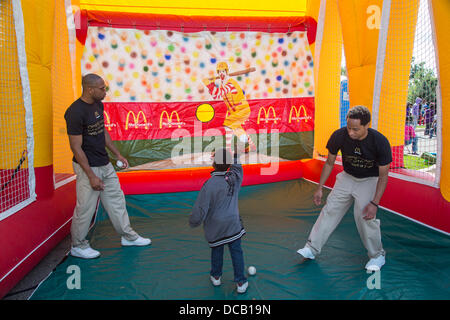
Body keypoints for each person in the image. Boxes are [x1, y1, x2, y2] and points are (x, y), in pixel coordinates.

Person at [65, 73, 151, 259]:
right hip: (88, 166)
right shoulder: (75, 112)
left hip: (105, 163)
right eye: (102, 88)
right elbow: (76, 147)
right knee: (85, 207)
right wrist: (91, 175)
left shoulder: (98, 105)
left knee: (116, 201)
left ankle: (128, 236)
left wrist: (117, 154)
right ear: (89, 89)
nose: (105, 91)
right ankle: (78, 245)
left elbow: (102, 131)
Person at [297, 106, 392, 271]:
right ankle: (311, 248)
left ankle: (377, 256)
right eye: (349, 128)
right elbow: (329, 162)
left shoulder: (380, 142)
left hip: (369, 180)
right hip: (347, 177)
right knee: (330, 209)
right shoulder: (339, 135)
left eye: (356, 129)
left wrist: (375, 203)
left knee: (365, 216)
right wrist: (319, 188)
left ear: (366, 125)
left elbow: (383, 176)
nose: (351, 133)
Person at [189, 148, 248, 293]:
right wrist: (234, 155)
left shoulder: (209, 185)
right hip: (233, 224)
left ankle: (216, 276)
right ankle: (240, 282)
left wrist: (194, 221)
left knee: (217, 249)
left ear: (214, 164)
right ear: (228, 164)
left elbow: (201, 207)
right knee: (236, 252)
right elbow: (238, 167)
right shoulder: (235, 178)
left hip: (215, 226)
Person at [202, 62, 256, 153]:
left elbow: (220, 93)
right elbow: (216, 96)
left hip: (242, 110)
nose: (221, 73)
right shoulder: (224, 84)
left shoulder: (231, 83)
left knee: (228, 125)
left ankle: (229, 150)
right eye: (219, 72)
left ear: (226, 71)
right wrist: (211, 85)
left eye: (223, 71)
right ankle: (251, 145)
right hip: (235, 112)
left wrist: (209, 84)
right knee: (236, 128)